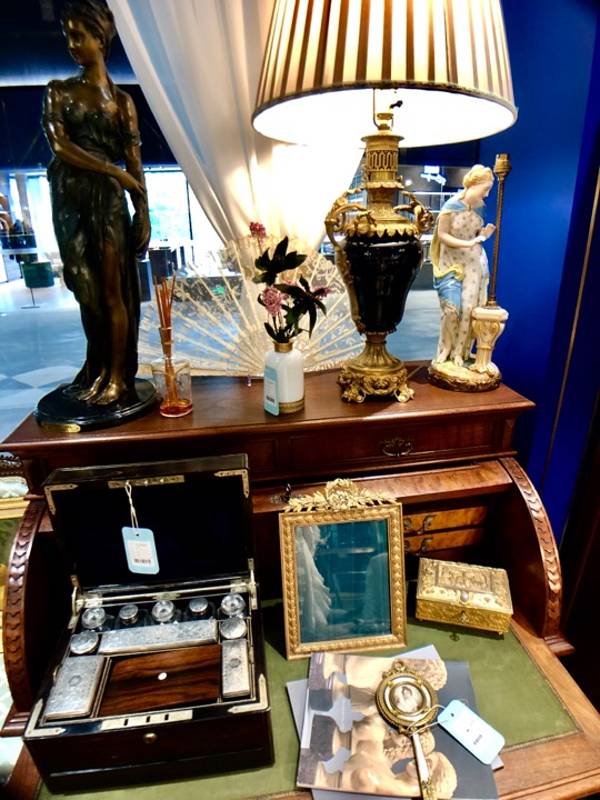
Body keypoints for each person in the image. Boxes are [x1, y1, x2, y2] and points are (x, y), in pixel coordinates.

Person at [43, 0, 150, 406]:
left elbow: (135, 162)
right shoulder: (59, 91)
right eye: (67, 36)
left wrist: (143, 213)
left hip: (107, 204)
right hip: (70, 197)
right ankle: (98, 365)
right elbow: (59, 145)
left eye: (79, 36)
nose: (72, 44)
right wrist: (113, 171)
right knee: (82, 286)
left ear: (100, 39)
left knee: (111, 291)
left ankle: (117, 376)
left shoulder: (122, 102)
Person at [430, 165, 496, 368]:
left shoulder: (480, 207)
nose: (486, 194)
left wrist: (483, 235)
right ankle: (446, 348)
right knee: (452, 310)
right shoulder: (451, 206)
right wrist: (469, 243)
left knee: (469, 309)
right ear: (473, 184)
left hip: (473, 262)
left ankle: (460, 352)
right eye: (485, 189)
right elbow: (442, 235)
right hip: (451, 263)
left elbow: (476, 235)